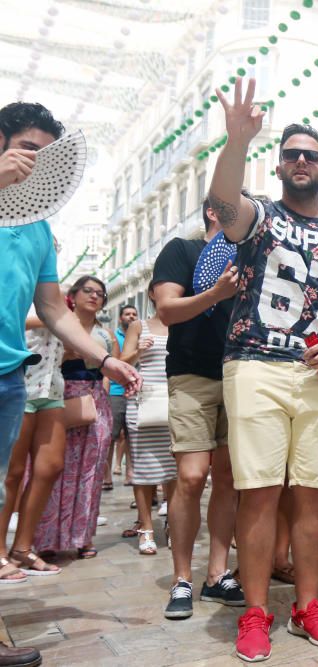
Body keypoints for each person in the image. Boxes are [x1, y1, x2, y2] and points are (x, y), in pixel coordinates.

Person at [210, 79, 318, 662]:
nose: (302, 161)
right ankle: (256, 611)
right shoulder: (258, 218)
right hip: (255, 364)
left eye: (312, 155)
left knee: (315, 496)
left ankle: (308, 606)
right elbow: (224, 204)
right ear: (279, 165)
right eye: (292, 154)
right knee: (257, 493)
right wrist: (235, 144)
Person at [0, 101, 139, 667]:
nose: (36, 162)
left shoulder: (37, 226)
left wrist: (105, 359)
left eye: (45, 154)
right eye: (28, 147)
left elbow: (53, 310)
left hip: (10, 377)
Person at [153, 197, 243, 620]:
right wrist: (215, 294)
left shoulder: (249, 256)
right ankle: (182, 578)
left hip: (241, 375)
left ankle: (217, 573)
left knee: (227, 478)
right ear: (212, 211)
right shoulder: (181, 251)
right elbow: (167, 311)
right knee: (191, 477)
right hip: (190, 373)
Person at [33, 276, 118, 560]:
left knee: (90, 472)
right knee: (55, 470)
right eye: (88, 291)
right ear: (74, 294)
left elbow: (112, 367)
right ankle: (46, 538)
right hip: (62, 395)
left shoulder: (105, 333)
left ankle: (83, 537)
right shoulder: (59, 322)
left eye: (100, 293)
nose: (95, 296)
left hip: (96, 399)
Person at [0, 306, 65, 577]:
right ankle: (0, 552)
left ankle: (22, 548)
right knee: (12, 473)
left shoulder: (53, 298)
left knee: (50, 467)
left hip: (52, 386)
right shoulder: (22, 295)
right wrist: (57, 316)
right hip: (19, 384)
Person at [121, 285, 178, 556]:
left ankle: (174, 525)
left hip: (177, 400)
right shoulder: (138, 326)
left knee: (176, 467)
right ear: (152, 293)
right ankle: (146, 527)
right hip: (144, 401)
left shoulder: (185, 323)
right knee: (143, 467)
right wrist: (138, 351)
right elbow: (122, 362)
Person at [109, 304, 138, 484]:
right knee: (111, 435)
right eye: (127, 314)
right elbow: (117, 362)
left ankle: (130, 474)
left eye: (134, 314)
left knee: (131, 436)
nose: (131, 317)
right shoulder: (114, 337)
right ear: (120, 318)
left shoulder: (141, 336)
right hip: (115, 390)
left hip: (136, 390)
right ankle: (106, 476)